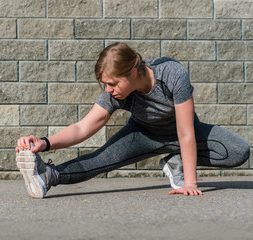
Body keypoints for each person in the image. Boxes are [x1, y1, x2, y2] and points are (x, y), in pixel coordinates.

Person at [15, 42, 250, 199]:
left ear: (134, 72)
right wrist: (44, 142)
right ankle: (47, 175)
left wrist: (190, 182)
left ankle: (175, 162)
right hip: (143, 135)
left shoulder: (171, 73)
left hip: (185, 133)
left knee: (238, 150)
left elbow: (186, 133)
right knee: (100, 159)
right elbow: (83, 127)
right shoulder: (117, 95)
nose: (108, 90)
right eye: (105, 84)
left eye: (113, 83)